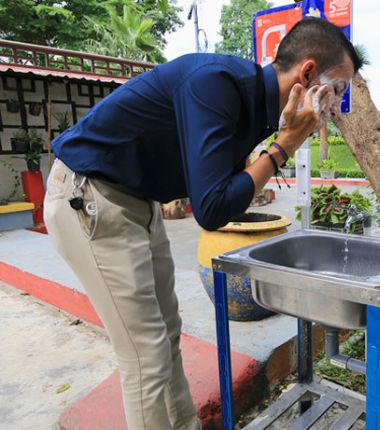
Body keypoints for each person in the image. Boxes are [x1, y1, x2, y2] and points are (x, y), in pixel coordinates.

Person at [44, 17, 361, 430]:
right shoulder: (216, 85)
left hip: (137, 201)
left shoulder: (259, 109)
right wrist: (284, 147)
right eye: (336, 89)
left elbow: (227, 192)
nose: (335, 105)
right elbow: (211, 209)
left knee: (168, 334)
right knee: (146, 356)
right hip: (89, 197)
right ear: (306, 73)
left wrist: (279, 141)